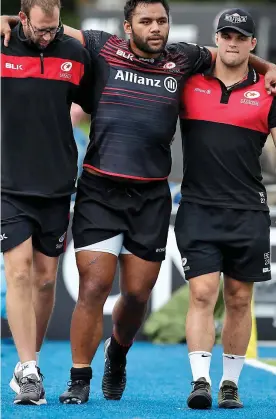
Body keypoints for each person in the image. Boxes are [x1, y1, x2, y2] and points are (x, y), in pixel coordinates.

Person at [2, 0, 276, 405]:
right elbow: (53, 31)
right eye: (145, 21)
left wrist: (267, 67)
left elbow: (228, 52)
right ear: (127, 25)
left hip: (150, 196)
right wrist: (6, 17)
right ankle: (80, 377)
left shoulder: (183, 58)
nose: (155, 28)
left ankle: (118, 352)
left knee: (136, 295)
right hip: (98, 190)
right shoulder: (100, 47)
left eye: (161, 21)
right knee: (94, 286)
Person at [175, 8, 276, 410]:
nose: (232, 43)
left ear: (252, 44)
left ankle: (229, 384)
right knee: (202, 293)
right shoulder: (189, 83)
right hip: (198, 207)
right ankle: (200, 380)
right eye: (226, 35)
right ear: (217, 39)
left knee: (238, 299)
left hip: (247, 211)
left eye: (241, 37)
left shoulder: (268, 92)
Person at [1, 0, 91, 405]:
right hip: (8, 184)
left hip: (56, 184)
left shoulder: (73, 52)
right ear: (21, 18)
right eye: (40, 29)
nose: (47, 36)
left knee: (44, 279)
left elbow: (93, 100)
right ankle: (29, 369)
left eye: (54, 28)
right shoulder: (3, 44)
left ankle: (29, 364)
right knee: (18, 272)